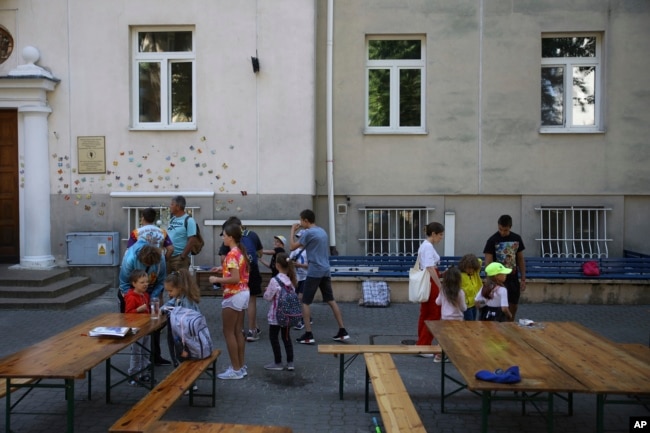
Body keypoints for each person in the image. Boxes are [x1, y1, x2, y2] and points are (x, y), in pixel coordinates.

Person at [289, 209, 349, 345]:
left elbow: (292, 247)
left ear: (305, 220)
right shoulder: (322, 231)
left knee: (305, 302)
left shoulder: (309, 233)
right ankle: (342, 330)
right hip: (325, 270)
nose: (299, 223)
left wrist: (293, 230)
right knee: (330, 300)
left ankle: (308, 334)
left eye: (300, 220)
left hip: (314, 270)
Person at [209, 223, 250, 380]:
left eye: (224, 235)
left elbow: (234, 278)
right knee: (238, 331)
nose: (223, 238)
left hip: (234, 294)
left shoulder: (231, 254)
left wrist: (217, 279)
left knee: (228, 332)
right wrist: (221, 270)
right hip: (243, 293)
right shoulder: (239, 252)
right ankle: (240, 366)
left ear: (231, 237)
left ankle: (235, 368)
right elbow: (237, 271)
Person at [119, 241, 170, 365]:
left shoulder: (160, 258)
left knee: (154, 327)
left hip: (148, 294)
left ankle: (154, 357)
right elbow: (124, 283)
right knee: (134, 328)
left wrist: (150, 299)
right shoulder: (130, 259)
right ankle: (137, 360)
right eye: (147, 264)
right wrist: (135, 296)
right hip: (131, 293)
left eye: (152, 264)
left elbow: (161, 281)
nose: (150, 266)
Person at [218, 216, 264, 342]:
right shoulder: (252, 235)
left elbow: (223, 258)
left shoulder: (230, 240)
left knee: (239, 302)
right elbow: (260, 252)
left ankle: (240, 330)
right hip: (252, 269)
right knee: (251, 301)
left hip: (236, 275)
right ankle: (252, 330)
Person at [483, 214, 526, 321]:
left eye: (505, 230)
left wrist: (523, 278)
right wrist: (489, 280)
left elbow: (520, 259)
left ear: (510, 227)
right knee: (499, 305)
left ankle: (511, 323)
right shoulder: (492, 240)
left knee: (514, 305)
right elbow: (488, 262)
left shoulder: (517, 239)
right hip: (498, 279)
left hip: (513, 278)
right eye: (500, 229)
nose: (502, 232)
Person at [262, 252, 296, 371]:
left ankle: (278, 362)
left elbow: (268, 297)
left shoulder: (274, 280)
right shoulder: (290, 280)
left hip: (276, 315)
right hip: (287, 315)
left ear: (277, 265)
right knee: (286, 337)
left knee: (274, 337)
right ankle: (290, 362)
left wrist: (266, 291)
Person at [415, 222, 444, 355]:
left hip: (429, 280)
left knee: (426, 313)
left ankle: (421, 343)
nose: (441, 237)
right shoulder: (428, 247)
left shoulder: (425, 245)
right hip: (431, 281)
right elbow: (430, 267)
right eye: (440, 235)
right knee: (434, 314)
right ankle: (424, 344)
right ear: (433, 234)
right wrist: (439, 285)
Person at [163, 269, 201, 367]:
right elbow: (169, 304)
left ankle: (188, 377)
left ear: (179, 287)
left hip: (187, 335)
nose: (169, 294)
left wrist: (172, 313)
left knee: (185, 355)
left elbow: (186, 317)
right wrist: (161, 309)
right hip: (183, 334)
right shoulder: (179, 297)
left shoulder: (187, 300)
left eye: (170, 291)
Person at [124, 269, 152, 386]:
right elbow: (127, 314)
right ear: (134, 283)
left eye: (146, 282)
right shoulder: (131, 296)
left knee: (146, 351)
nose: (145, 284)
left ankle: (144, 372)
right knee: (136, 352)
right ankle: (133, 374)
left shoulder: (146, 295)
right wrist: (138, 310)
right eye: (142, 282)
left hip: (146, 327)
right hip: (135, 328)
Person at [434, 266, 466, 362]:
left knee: (444, 338)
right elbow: (463, 307)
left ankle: (439, 355)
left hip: (445, 318)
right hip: (458, 319)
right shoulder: (460, 292)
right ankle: (453, 356)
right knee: (456, 338)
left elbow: (437, 302)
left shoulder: (443, 291)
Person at [166, 195, 200, 273]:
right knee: (168, 282)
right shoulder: (173, 219)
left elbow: (192, 240)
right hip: (169, 256)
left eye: (172, 204)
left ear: (178, 207)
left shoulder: (189, 220)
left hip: (179, 258)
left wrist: (183, 256)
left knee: (181, 282)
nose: (170, 206)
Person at [289, 231, 309, 330]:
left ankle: (300, 320)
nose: (299, 240)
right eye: (298, 237)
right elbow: (289, 261)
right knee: (298, 299)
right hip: (297, 278)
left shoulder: (309, 251)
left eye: (301, 238)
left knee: (300, 299)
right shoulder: (295, 251)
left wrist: (300, 265)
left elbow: (311, 265)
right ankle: (307, 317)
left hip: (306, 277)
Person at [458, 254, 483, 321]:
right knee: (469, 321)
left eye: (472, 268)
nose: (471, 270)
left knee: (473, 320)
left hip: (474, 303)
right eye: (468, 268)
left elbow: (480, 261)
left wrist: (472, 260)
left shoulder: (475, 273)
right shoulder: (461, 276)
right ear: (464, 267)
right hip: (466, 304)